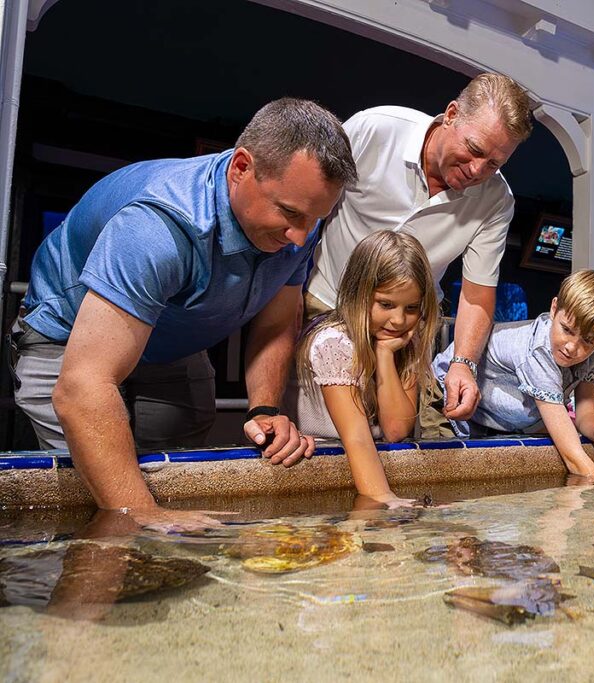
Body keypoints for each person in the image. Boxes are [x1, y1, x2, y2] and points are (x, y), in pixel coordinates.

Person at [12, 98, 357, 530]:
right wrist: (142, 515)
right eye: (289, 213)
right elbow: (82, 389)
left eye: (315, 219)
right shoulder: (159, 226)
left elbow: (276, 318)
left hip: (172, 341)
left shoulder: (298, 225)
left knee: (177, 486)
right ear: (241, 168)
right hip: (68, 340)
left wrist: (263, 408)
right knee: (100, 507)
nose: (300, 237)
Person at [302, 73, 531, 426]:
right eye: (474, 150)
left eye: (494, 164)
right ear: (451, 114)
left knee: (417, 436)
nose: (477, 170)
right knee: (328, 432)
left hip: (406, 326)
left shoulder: (496, 201)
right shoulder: (372, 129)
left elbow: (477, 294)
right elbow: (309, 212)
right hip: (328, 306)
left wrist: (463, 364)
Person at [424, 269, 594, 480]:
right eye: (567, 330)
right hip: (445, 396)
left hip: (488, 418)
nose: (572, 347)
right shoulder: (539, 350)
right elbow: (572, 456)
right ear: (554, 308)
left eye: (588, 340)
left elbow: (585, 413)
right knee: (442, 479)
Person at [296, 231, 439, 507]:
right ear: (359, 293)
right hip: (319, 463)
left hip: (373, 461)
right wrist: (384, 500)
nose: (398, 320)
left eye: (411, 308)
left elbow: (396, 430)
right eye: (386, 304)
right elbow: (357, 438)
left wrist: (384, 355)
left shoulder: (407, 341)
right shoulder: (333, 342)